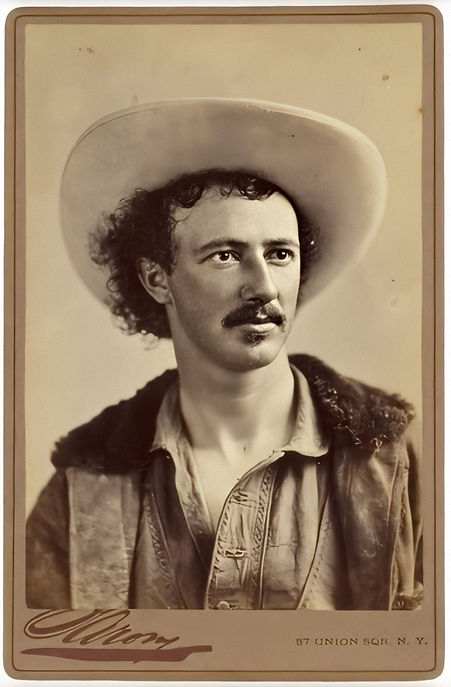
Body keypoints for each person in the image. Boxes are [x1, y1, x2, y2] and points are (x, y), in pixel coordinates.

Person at [26, 99, 422, 610]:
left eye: (280, 254)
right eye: (226, 255)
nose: (264, 287)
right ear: (156, 279)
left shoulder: (402, 462)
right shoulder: (78, 492)